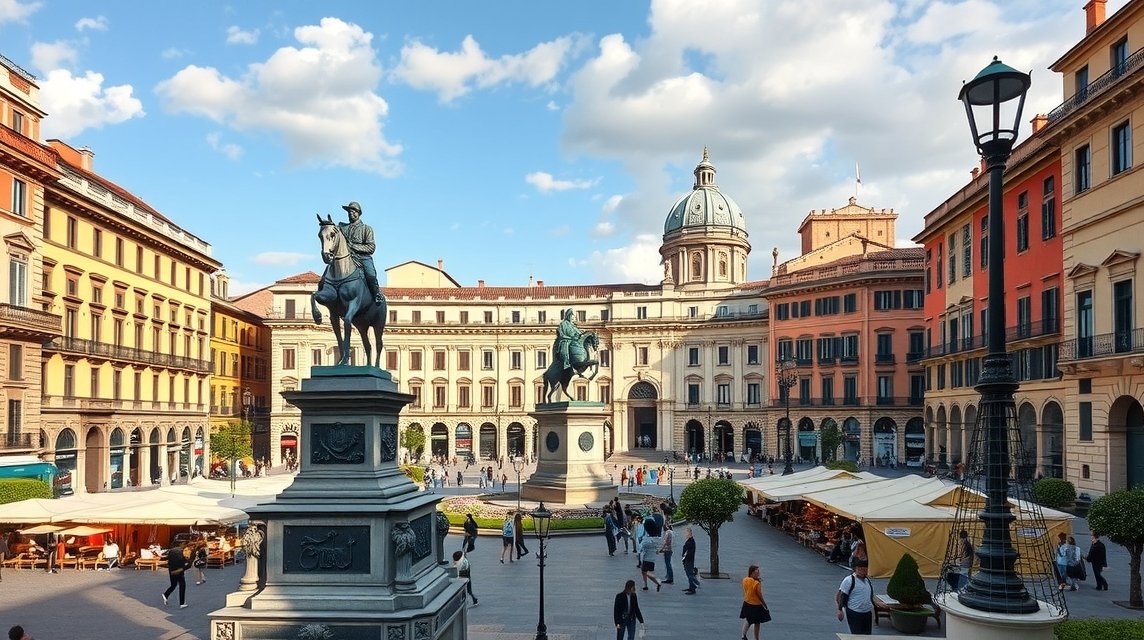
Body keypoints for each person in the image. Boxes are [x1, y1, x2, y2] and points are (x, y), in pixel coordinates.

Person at [331, 201, 383, 304]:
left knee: (371, 274)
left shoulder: (366, 229)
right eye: (349, 211)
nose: (351, 213)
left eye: (354, 211)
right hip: (346, 257)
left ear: (359, 213)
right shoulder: (342, 227)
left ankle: (376, 294)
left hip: (362, 257)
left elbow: (371, 248)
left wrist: (354, 246)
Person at [836, 558, 874, 635]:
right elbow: (842, 595)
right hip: (854, 612)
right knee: (857, 635)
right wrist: (840, 610)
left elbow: (869, 595)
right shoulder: (849, 580)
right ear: (856, 569)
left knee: (867, 636)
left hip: (867, 612)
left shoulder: (867, 580)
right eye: (861, 569)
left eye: (865, 569)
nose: (864, 571)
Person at [740, 564, 769, 640]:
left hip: (747, 602)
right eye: (757, 571)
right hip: (756, 605)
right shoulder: (756, 583)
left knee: (748, 620)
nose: (758, 573)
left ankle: (743, 635)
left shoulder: (745, 579)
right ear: (752, 572)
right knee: (757, 623)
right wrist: (764, 603)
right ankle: (756, 638)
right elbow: (759, 594)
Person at [553, 308, 583, 372]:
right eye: (572, 316)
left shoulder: (573, 325)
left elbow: (579, 333)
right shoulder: (563, 324)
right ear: (568, 316)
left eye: (574, 317)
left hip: (574, 341)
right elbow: (561, 335)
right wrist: (570, 338)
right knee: (566, 346)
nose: (573, 318)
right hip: (565, 341)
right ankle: (566, 363)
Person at [162, 541, 189, 608]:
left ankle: (166, 594)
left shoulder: (171, 551)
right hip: (179, 570)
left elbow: (168, 560)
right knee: (182, 585)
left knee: (173, 585)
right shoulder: (181, 552)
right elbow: (182, 560)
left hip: (171, 570)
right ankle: (182, 603)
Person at [681, 526, 699, 594]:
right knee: (689, 574)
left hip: (688, 560)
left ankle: (693, 588)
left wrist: (685, 559)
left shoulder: (691, 542)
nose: (684, 534)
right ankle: (691, 586)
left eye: (686, 533)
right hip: (687, 560)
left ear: (689, 533)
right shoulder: (690, 541)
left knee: (690, 574)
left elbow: (689, 552)